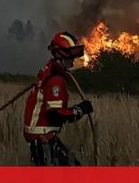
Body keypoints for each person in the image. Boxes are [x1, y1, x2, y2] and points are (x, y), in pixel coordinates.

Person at [23, 31, 94, 166]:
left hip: (41, 137)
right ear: (58, 54)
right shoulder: (56, 79)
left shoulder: (48, 70)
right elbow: (55, 115)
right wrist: (79, 110)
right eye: (69, 56)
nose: (72, 60)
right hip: (42, 138)